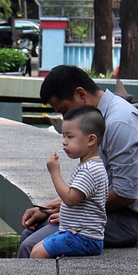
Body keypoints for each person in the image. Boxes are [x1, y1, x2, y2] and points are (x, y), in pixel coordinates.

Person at [18, 65, 138, 257]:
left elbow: (125, 193)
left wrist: (70, 212)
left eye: (64, 110)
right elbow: (87, 191)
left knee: (31, 245)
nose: (66, 118)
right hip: (104, 212)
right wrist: (46, 209)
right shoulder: (104, 118)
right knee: (31, 230)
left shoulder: (118, 123)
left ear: (81, 94)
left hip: (125, 219)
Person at [29, 105, 108, 260]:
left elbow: (71, 199)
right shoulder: (89, 166)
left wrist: (54, 172)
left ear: (91, 139)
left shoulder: (90, 170)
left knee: (37, 253)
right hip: (74, 233)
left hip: (83, 237)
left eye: (70, 137)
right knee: (36, 248)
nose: (64, 142)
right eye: (63, 136)